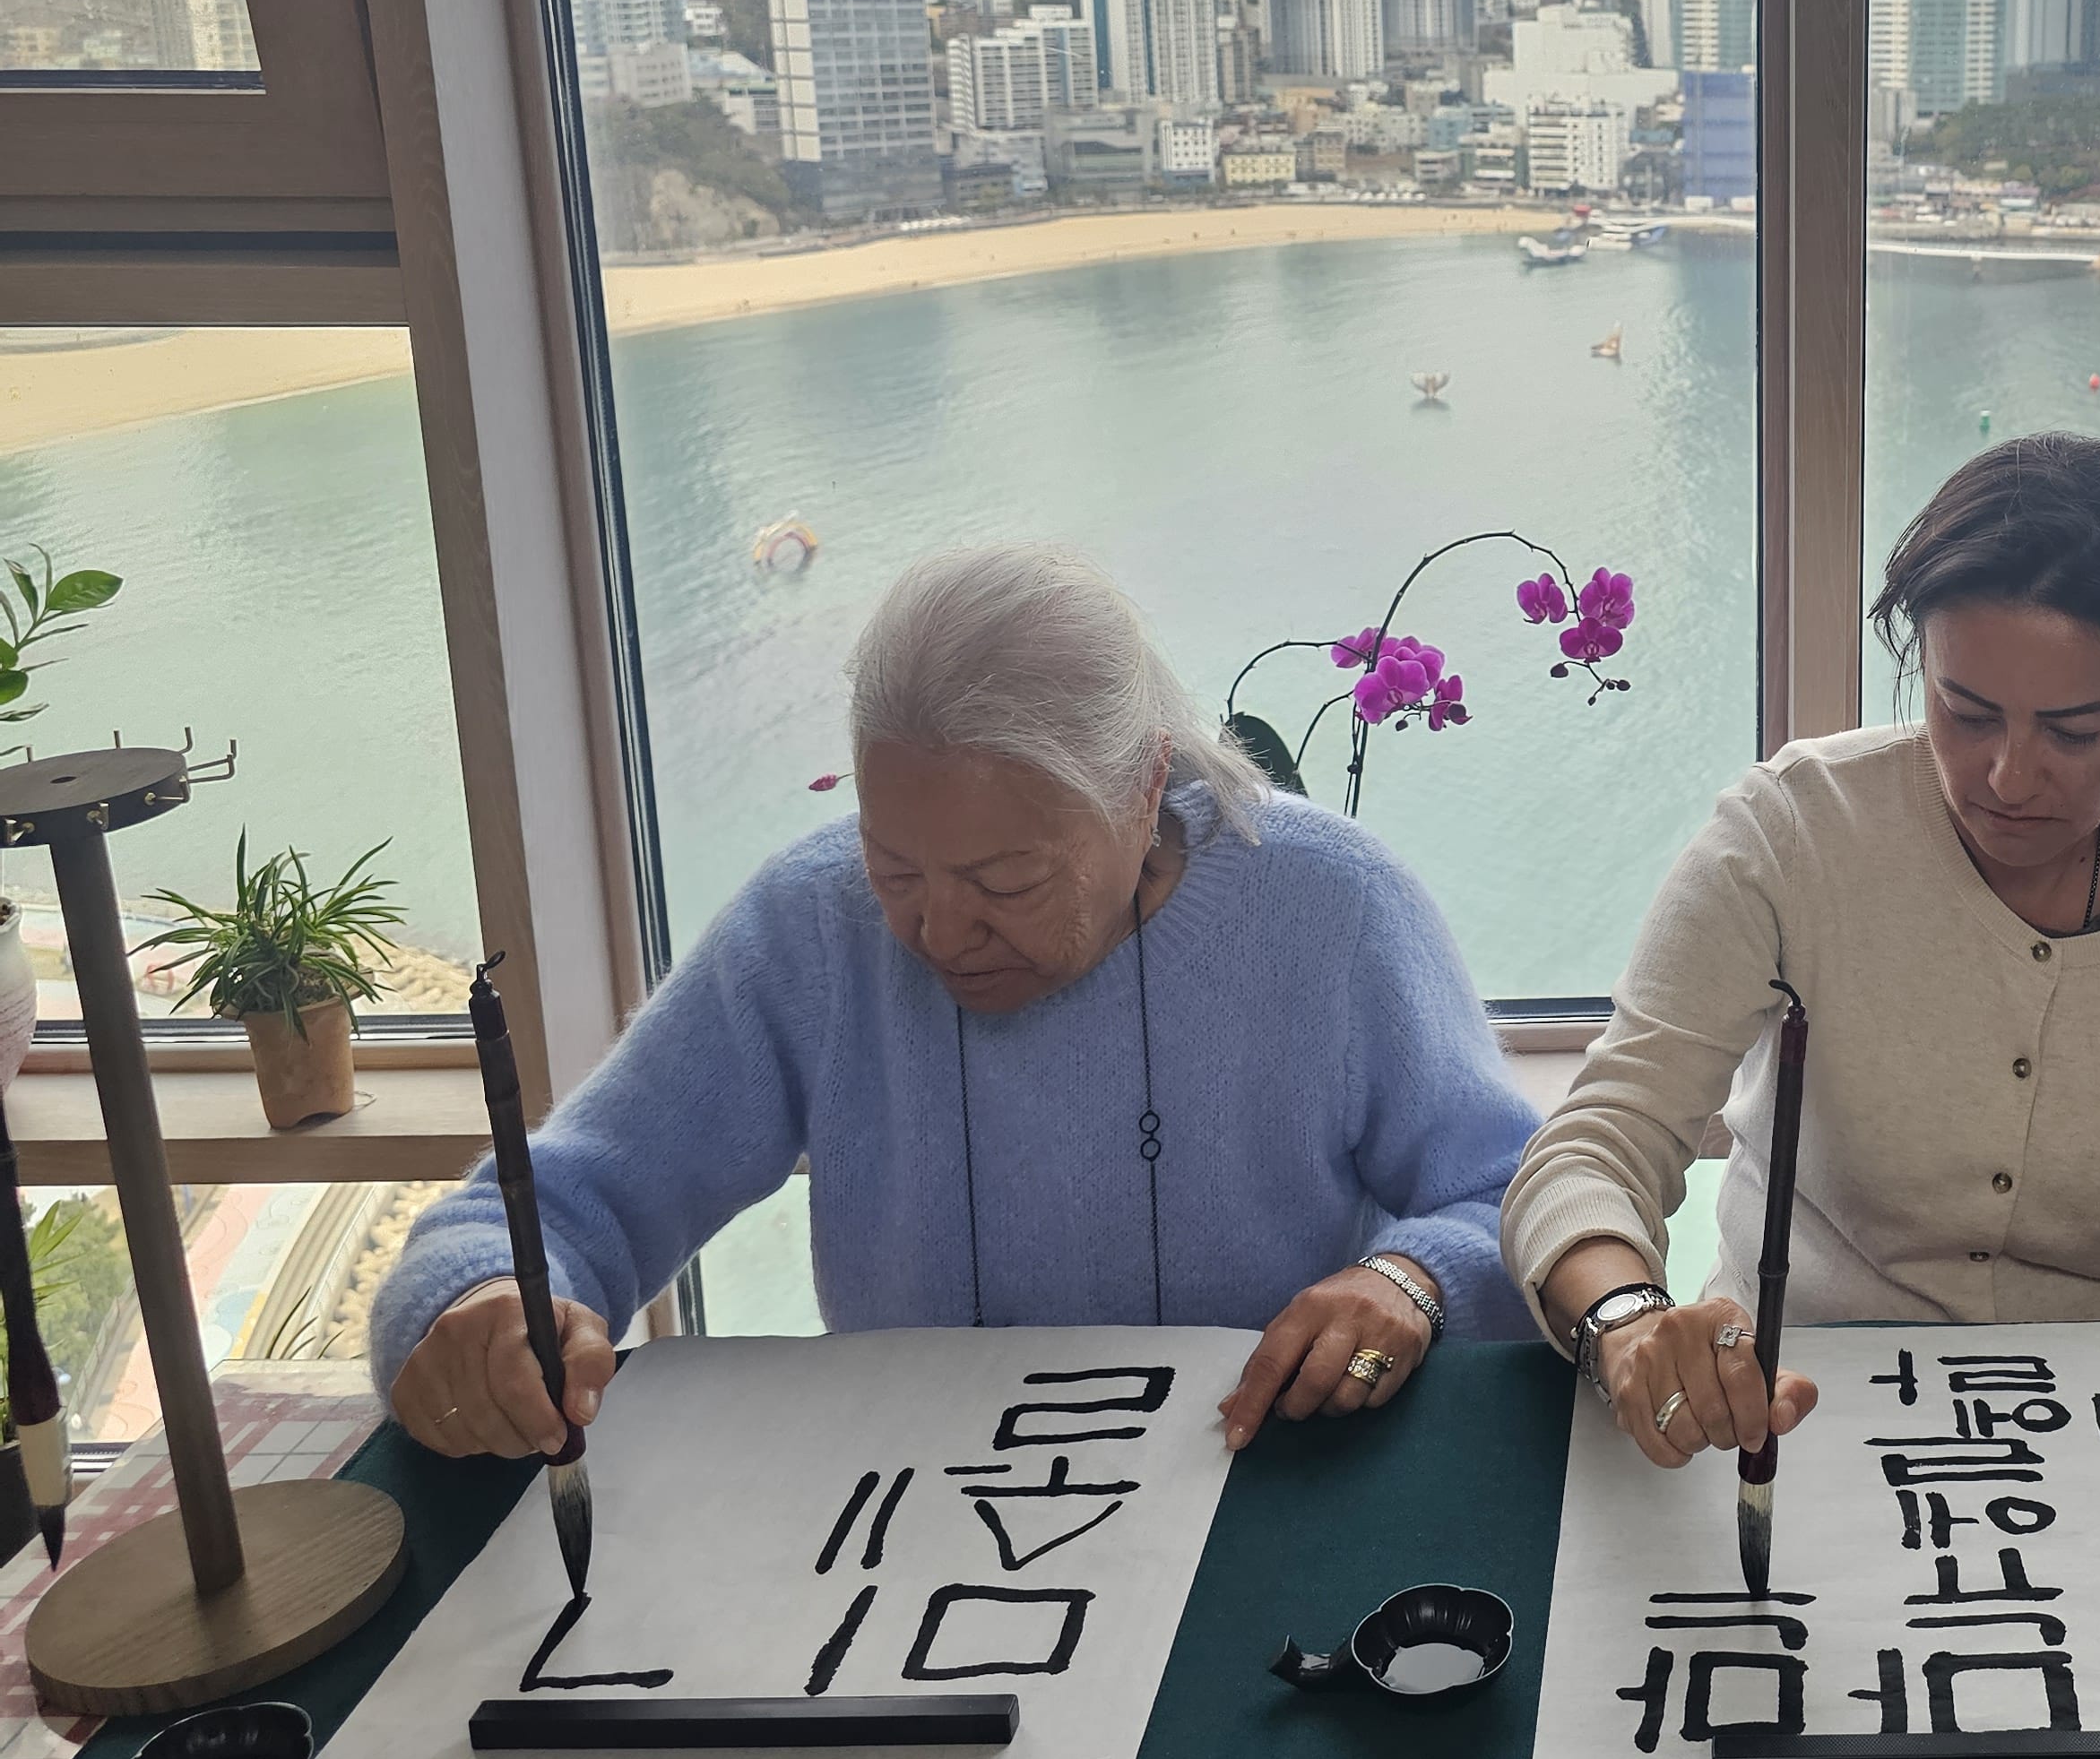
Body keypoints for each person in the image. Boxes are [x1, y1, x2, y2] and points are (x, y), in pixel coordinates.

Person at [375, 544, 1535, 1459]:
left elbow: (1507, 1198)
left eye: (1005, 883)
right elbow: (556, 1209)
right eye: (894, 868)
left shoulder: (1330, 911)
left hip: (1268, 1486)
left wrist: (1406, 1282)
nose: (935, 932)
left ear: (1144, 785)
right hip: (910, 1523)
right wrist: (473, 1311)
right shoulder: (811, 926)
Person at [1504, 434, 2100, 1471]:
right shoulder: (1795, 833)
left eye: (2075, 730)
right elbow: (1599, 1140)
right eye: (1964, 709)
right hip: (1781, 1408)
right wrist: (1627, 1321)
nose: (2006, 775)